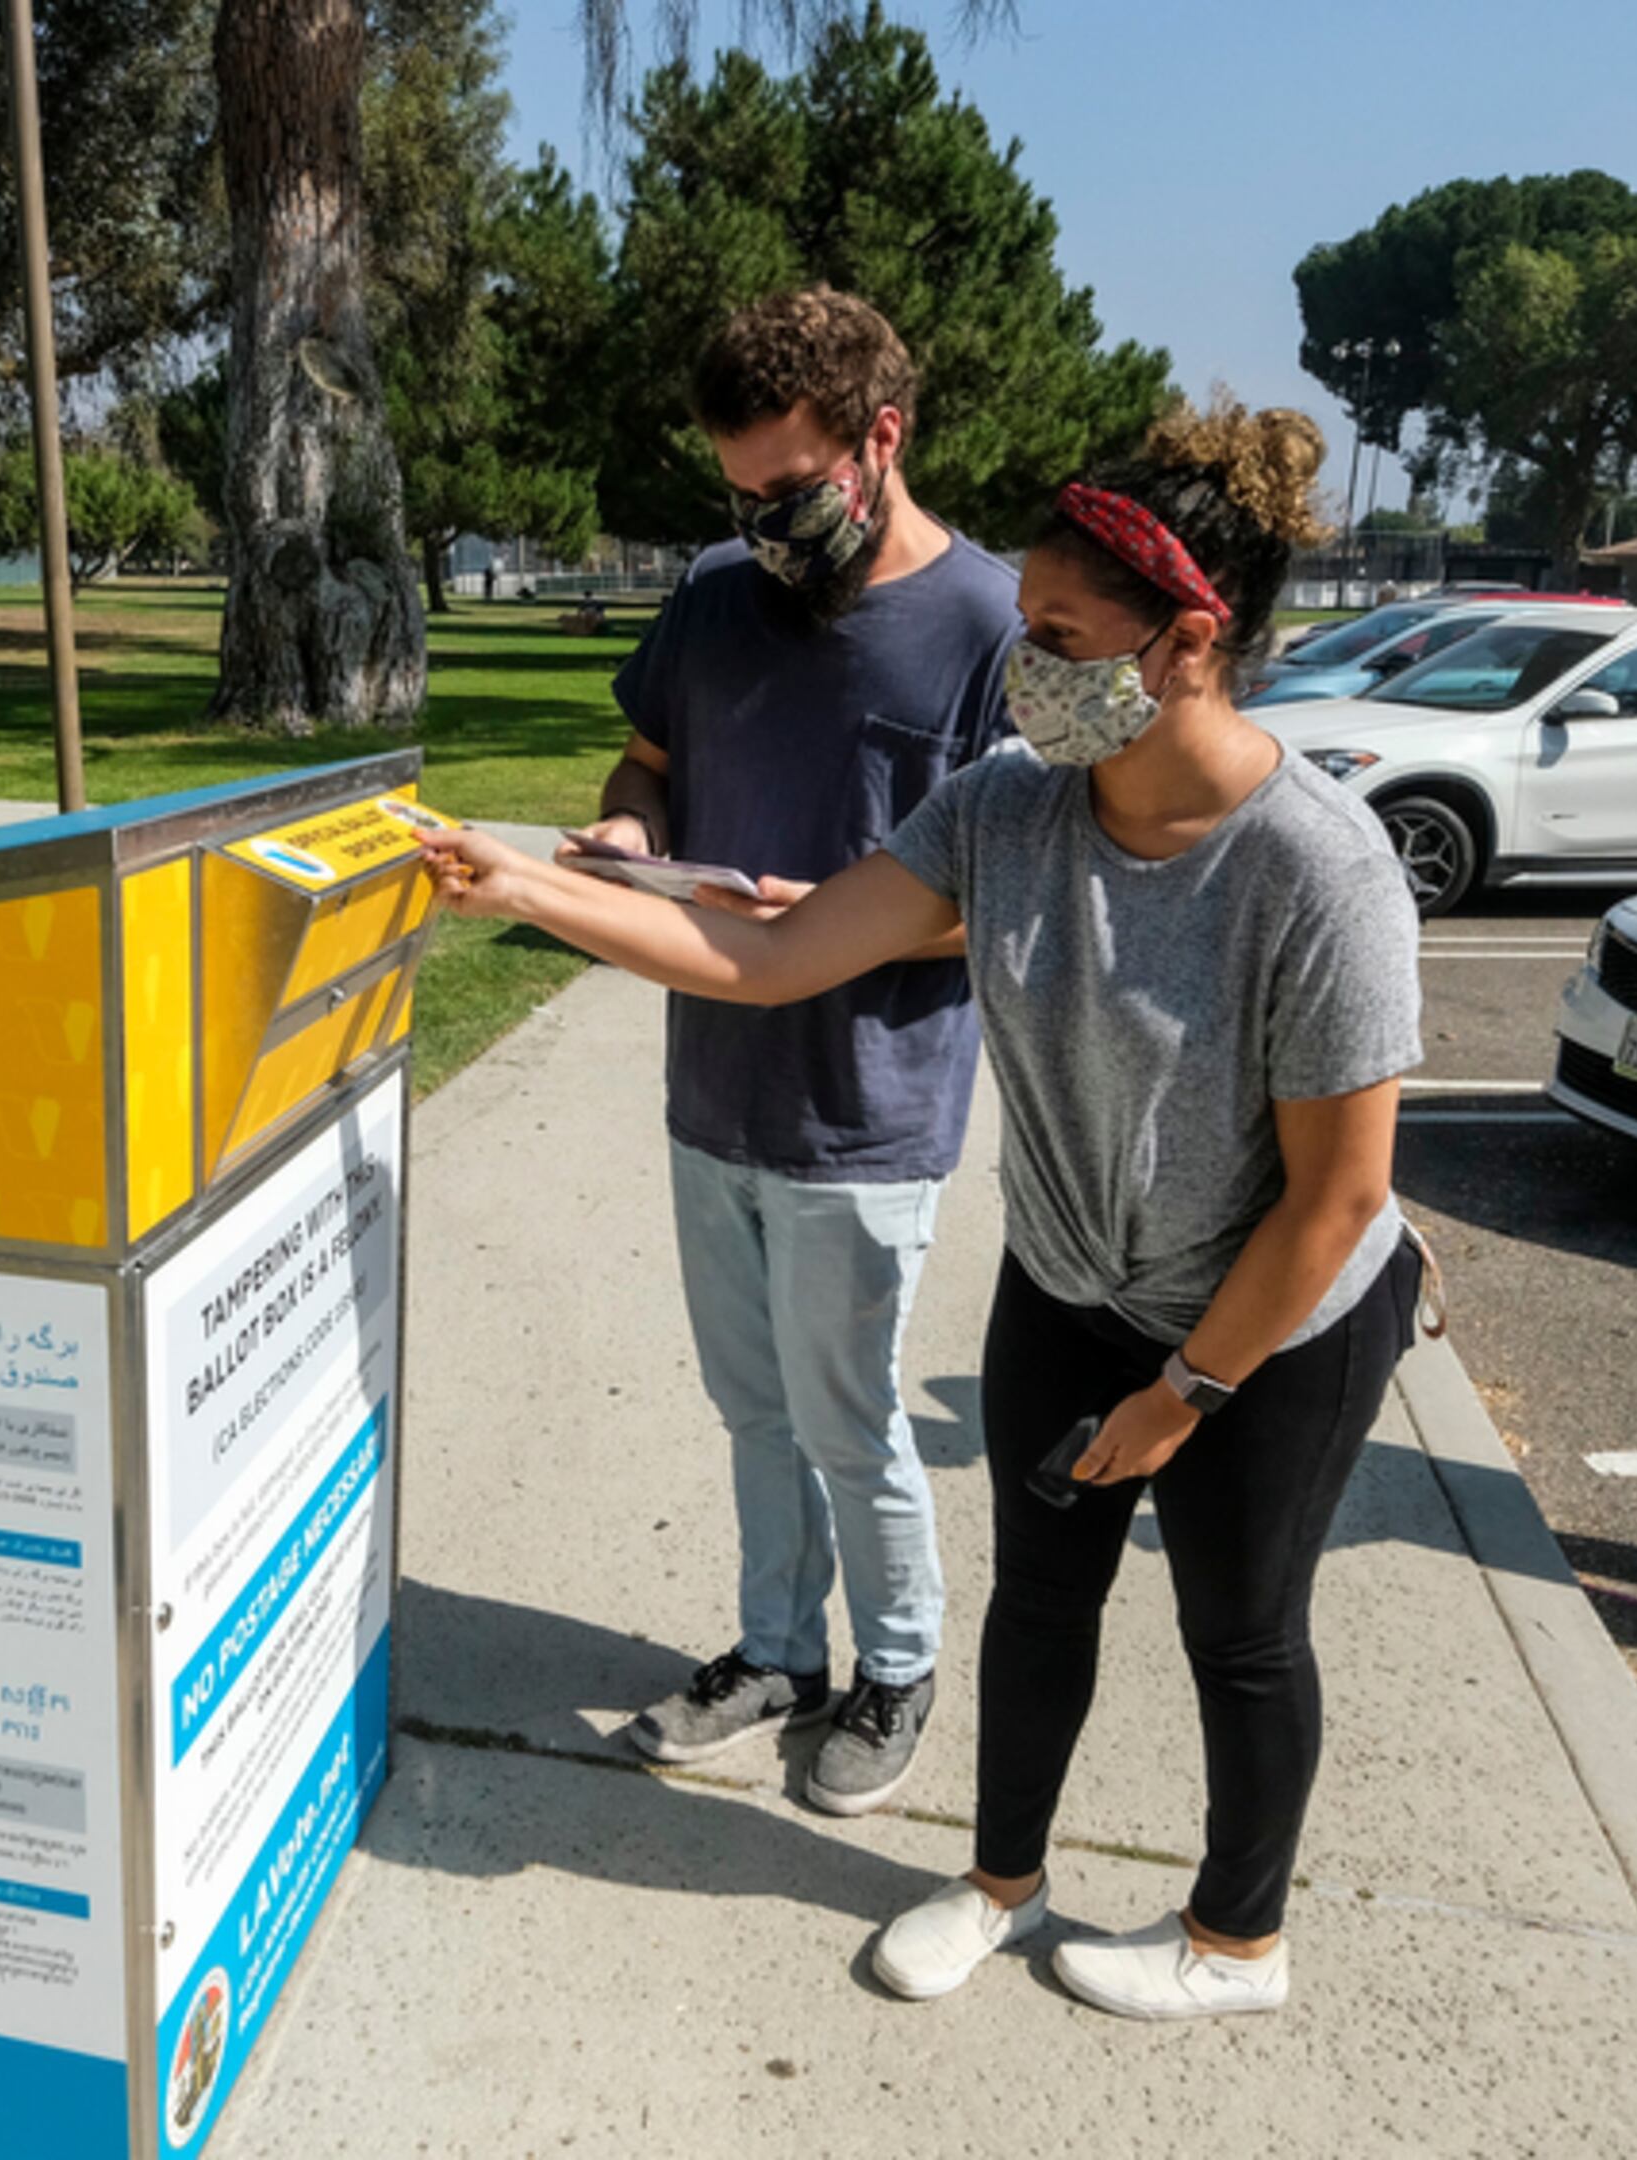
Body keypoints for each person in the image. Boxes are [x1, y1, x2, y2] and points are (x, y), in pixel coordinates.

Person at [425, 400, 1424, 2022]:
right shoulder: (1006, 809)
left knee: (1240, 1631)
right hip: (1072, 1281)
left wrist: (1185, 1395)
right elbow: (772, 957)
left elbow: (1339, 1198)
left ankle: (1239, 1940)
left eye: (1058, 636)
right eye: (1024, 628)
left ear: (1187, 641)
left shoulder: (1317, 870)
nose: (1023, 665)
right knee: (1043, 1598)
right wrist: (529, 885)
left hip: (1275, 1315)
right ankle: (997, 1885)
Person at [560, 288, 1025, 1817]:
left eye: (788, 489)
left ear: (880, 439)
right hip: (716, 1092)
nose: (760, 521)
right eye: (736, 492)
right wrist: (632, 829)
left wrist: (848, 918)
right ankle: (778, 1655)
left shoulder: (992, 628)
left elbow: (1020, 896)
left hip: (866, 1110)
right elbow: (651, 756)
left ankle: (898, 1669)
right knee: (750, 1405)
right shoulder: (710, 593)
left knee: (850, 1416)